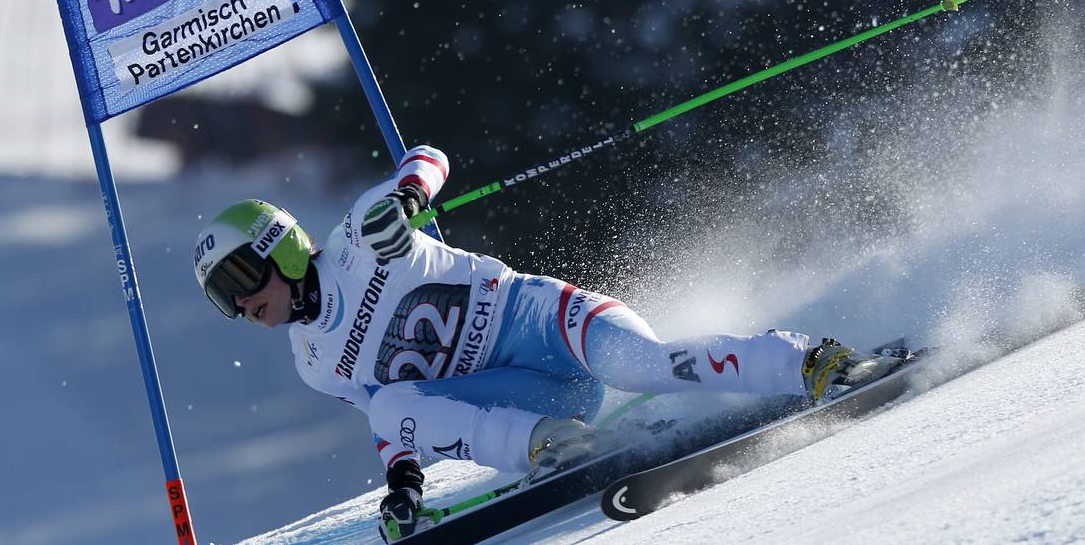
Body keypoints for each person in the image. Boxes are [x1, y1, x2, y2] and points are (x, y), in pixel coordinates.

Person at [193, 145, 901, 539]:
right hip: (534, 401)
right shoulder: (313, 361)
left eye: (239, 277)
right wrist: (404, 482)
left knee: (644, 364)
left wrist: (409, 199)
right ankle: (549, 446)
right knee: (384, 405)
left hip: (541, 321)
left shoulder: (357, 236)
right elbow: (396, 419)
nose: (241, 302)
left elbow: (432, 155)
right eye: (222, 297)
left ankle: (813, 361)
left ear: (277, 248)